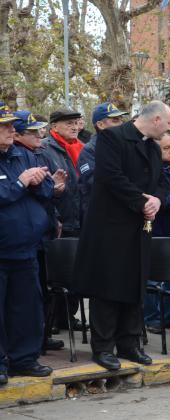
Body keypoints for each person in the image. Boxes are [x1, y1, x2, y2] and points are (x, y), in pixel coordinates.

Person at [72, 101, 170, 371]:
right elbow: (110, 176)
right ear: (156, 120)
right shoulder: (111, 138)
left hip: (139, 226)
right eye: (168, 123)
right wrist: (142, 201)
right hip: (110, 227)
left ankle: (129, 343)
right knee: (108, 286)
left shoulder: (151, 147)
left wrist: (157, 201)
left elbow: (161, 180)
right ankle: (103, 347)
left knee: (134, 283)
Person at [0, 109, 54, 386]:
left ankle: (24, 359)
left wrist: (35, 182)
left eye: (11, 126)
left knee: (27, 309)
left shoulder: (25, 155)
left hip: (26, 248)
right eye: (5, 127)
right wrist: (22, 182)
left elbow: (47, 190)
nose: (11, 130)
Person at [12, 110, 67, 352]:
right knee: (18, 302)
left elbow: (45, 192)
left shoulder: (33, 155)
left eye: (39, 130)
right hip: (14, 241)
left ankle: (35, 347)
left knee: (35, 297)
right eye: (33, 131)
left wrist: (51, 187)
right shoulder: (18, 157)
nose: (39, 135)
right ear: (19, 134)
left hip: (38, 236)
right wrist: (23, 182)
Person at [144, 133, 170, 334]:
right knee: (154, 276)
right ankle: (152, 318)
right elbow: (158, 200)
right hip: (157, 229)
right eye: (166, 148)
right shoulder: (150, 171)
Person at [76, 102, 129, 221]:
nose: (121, 124)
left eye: (121, 120)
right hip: (100, 215)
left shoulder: (125, 146)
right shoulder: (89, 150)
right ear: (100, 124)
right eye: (115, 120)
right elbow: (95, 182)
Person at [41, 108, 84, 238]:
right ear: (54, 126)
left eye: (76, 123)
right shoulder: (43, 149)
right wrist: (54, 217)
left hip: (83, 219)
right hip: (60, 222)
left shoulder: (83, 147)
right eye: (69, 123)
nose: (75, 127)